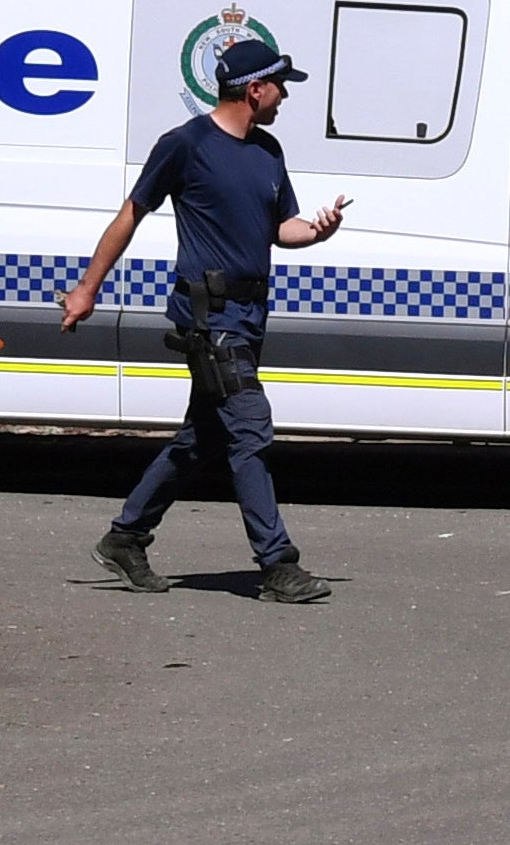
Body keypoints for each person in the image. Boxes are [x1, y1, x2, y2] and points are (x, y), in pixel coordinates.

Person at [61, 36, 352, 602]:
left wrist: (316, 231)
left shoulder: (268, 152)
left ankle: (126, 537)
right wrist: (87, 288)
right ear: (254, 89)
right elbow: (130, 216)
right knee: (251, 430)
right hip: (209, 317)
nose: (284, 98)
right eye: (281, 88)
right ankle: (277, 565)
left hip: (250, 315)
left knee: (201, 439)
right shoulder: (186, 146)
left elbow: (280, 228)